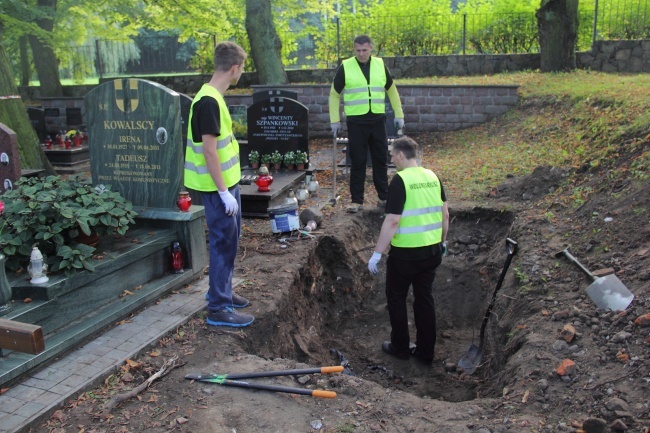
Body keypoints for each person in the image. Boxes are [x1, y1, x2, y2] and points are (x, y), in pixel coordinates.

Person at [184, 41, 254, 327]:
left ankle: (220, 291)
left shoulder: (212, 96)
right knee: (223, 242)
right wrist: (224, 192)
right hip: (216, 188)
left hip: (225, 185)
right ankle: (218, 308)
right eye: (242, 68)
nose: (242, 73)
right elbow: (209, 151)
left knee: (230, 239)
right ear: (234, 68)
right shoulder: (209, 101)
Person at [367, 136, 449, 365]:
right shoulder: (433, 176)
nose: (391, 159)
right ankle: (425, 353)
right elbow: (445, 215)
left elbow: (392, 221)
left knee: (396, 298)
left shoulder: (400, 180)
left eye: (392, 154)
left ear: (401, 155)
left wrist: (377, 253)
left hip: (405, 255)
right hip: (432, 252)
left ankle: (400, 347)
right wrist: (443, 242)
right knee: (424, 299)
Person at [329, 34, 405, 213]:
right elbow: (334, 94)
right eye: (358, 51)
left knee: (380, 159)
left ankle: (384, 197)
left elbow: (392, 91)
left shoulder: (380, 64)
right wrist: (334, 120)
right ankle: (356, 200)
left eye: (364, 50)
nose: (361, 54)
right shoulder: (346, 66)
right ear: (353, 50)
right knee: (358, 161)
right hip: (356, 122)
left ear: (371, 48)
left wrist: (399, 114)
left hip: (378, 120)